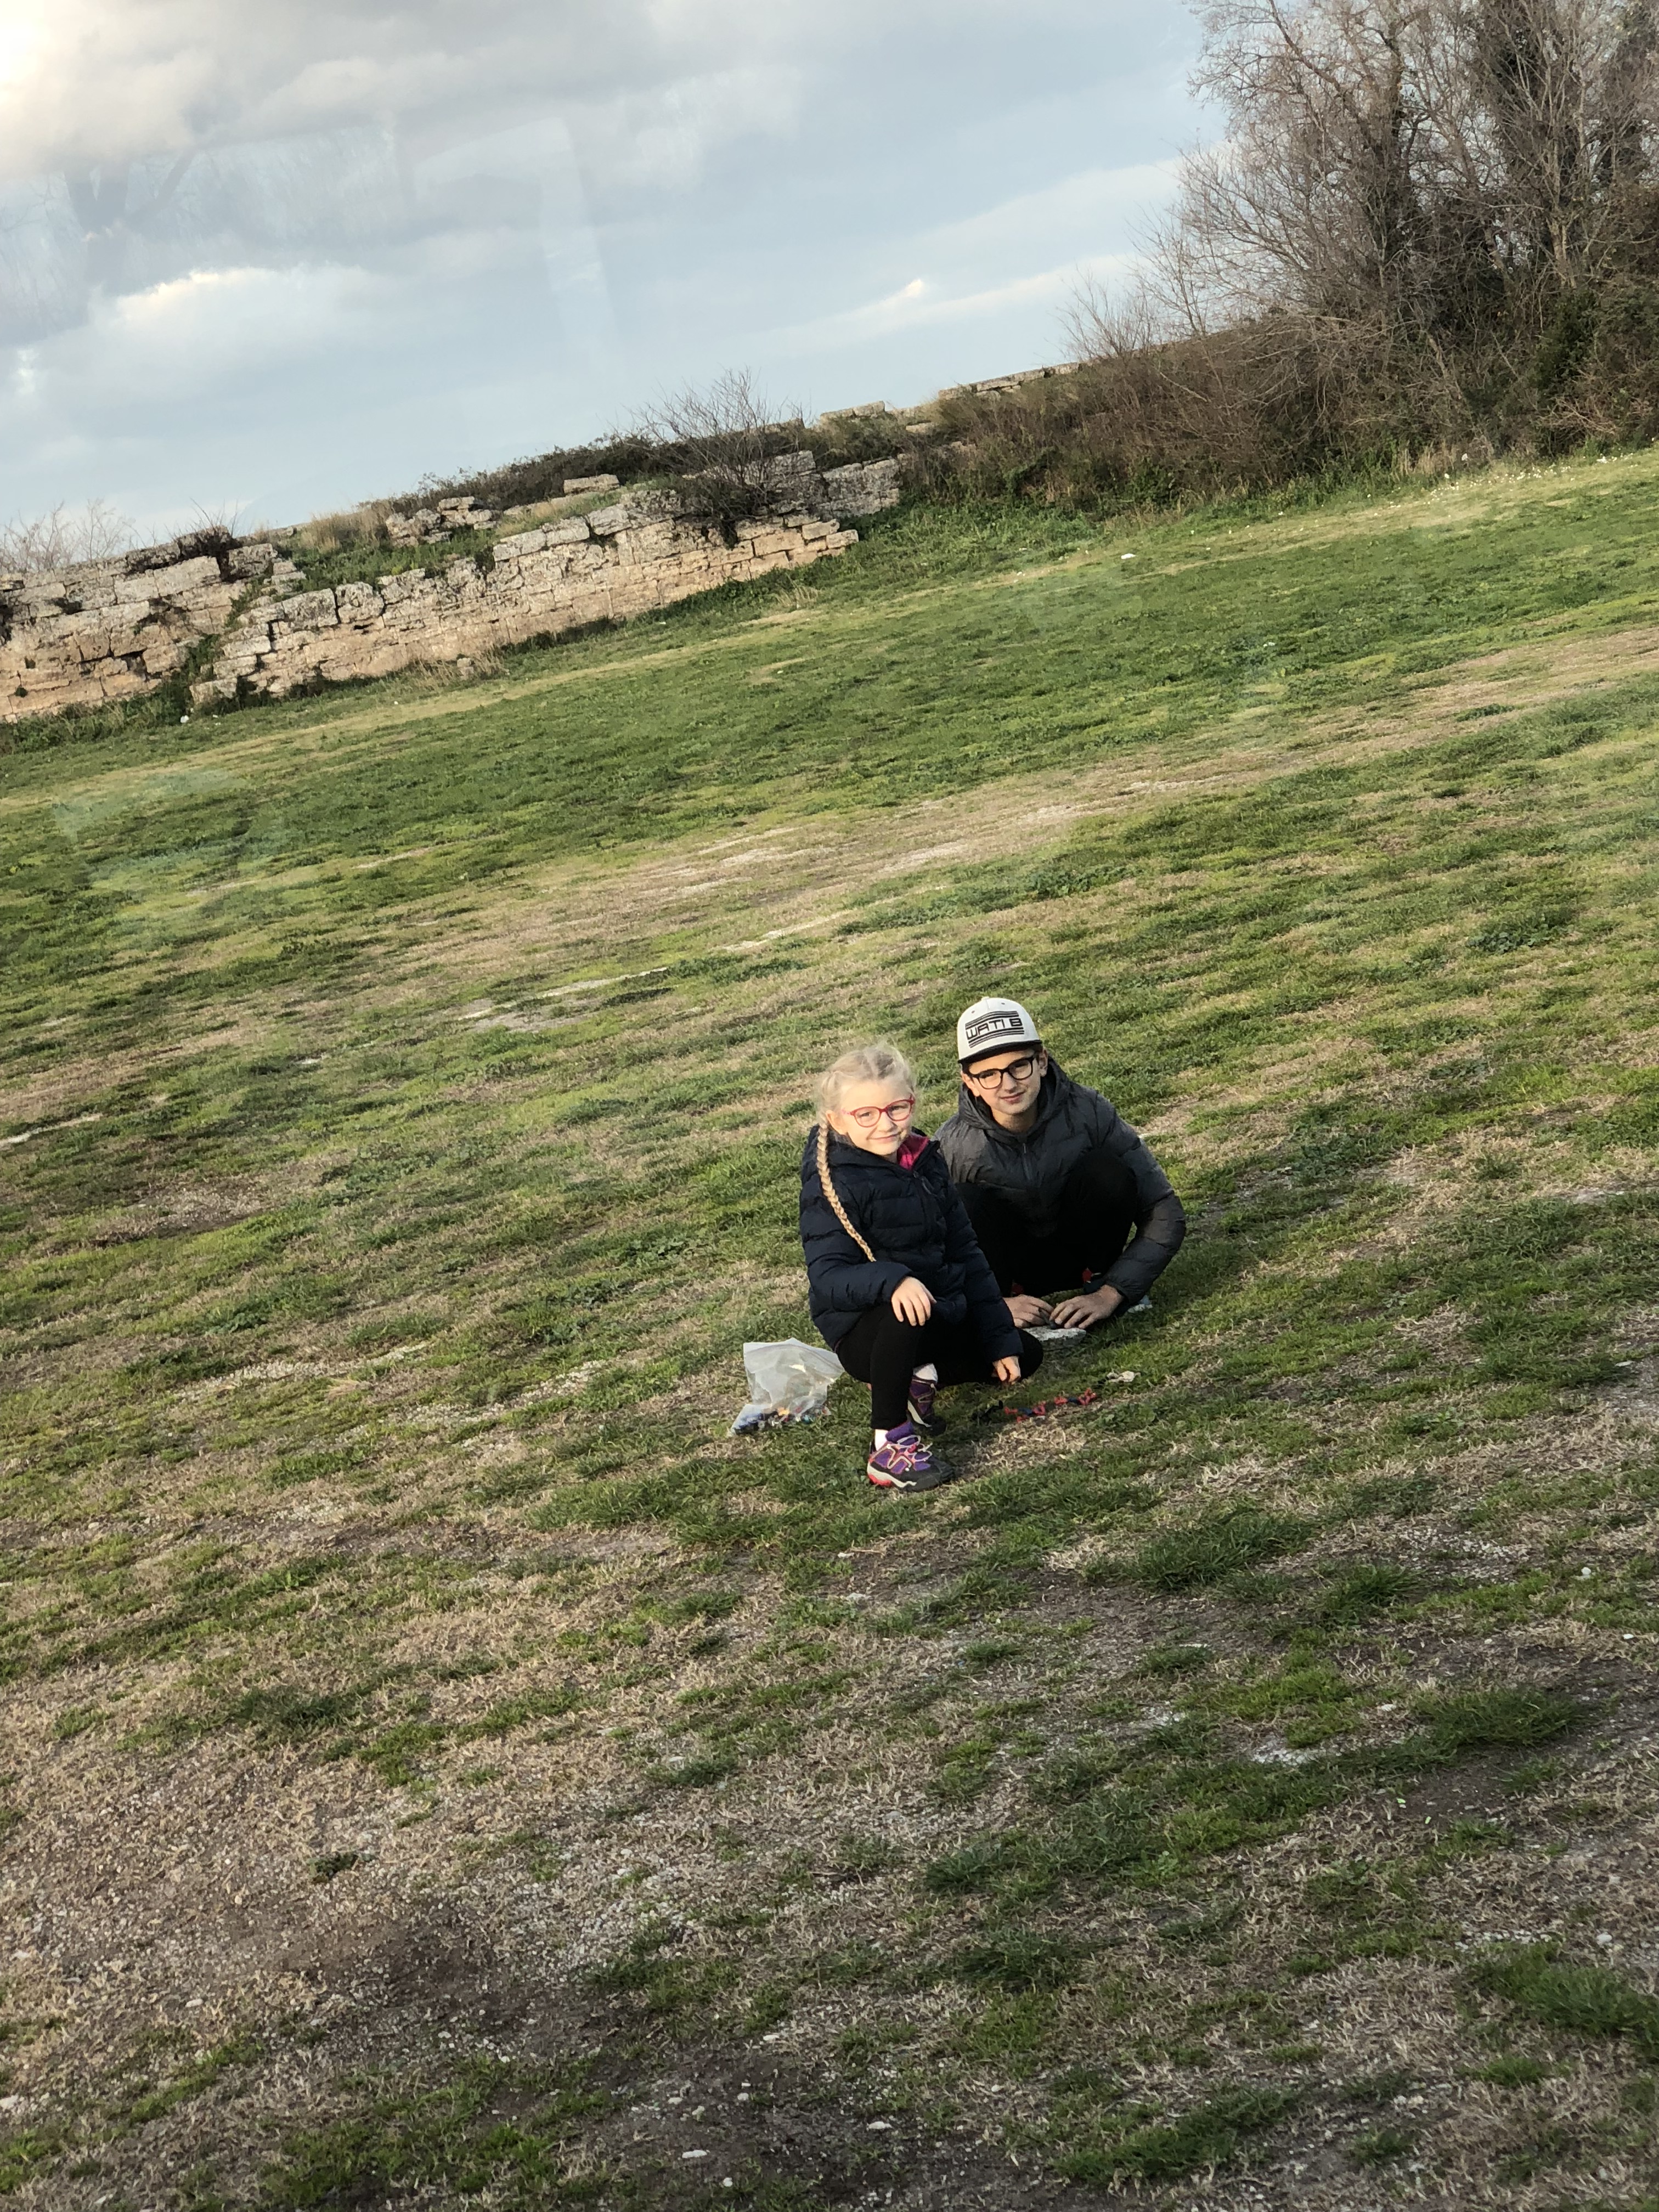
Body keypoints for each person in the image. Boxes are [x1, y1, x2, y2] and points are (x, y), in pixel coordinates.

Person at [799, 1041, 1042, 1493]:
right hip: (868, 1332)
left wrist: (997, 1338)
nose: (885, 1124)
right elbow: (828, 1277)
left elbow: (966, 1251)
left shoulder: (925, 1159)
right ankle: (888, 1444)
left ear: (912, 1102)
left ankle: (920, 1379)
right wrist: (895, 1280)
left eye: (897, 1108)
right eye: (866, 1115)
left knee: (1023, 1354)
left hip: (937, 1308)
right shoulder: (832, 1181)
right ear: (837, 1120)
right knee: (903, 1311)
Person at [935, 997, 1184, 1330]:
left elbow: (1164, 1209)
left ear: (1042, 1060)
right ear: (970, 1082)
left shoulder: (1089, 1110)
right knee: (962, 1202)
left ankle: (1098, 1278)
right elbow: (926, 1249)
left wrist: (1114, 1292)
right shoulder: (950, 1145)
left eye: (1018, 1066)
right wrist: (989, 1304)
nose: (1008, 1084)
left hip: (1086, 1255)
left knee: (1106, 1170)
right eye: (989, 1075)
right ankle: (1007, 1294)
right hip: (1009, 1271)